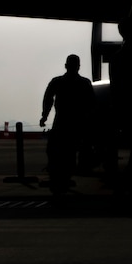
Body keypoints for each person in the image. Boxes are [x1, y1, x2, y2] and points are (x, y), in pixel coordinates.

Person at [41, 54, 95, 193]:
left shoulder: (58, 81)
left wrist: (44, 116)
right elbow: (91, 104)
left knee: (55, 151)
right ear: (78, 67)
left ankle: (58, 178)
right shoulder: (84, 83)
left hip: (62, 122)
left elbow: (48, 99)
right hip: (75, 123)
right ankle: (63, 178)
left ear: (66, 66)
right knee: (68, 153)